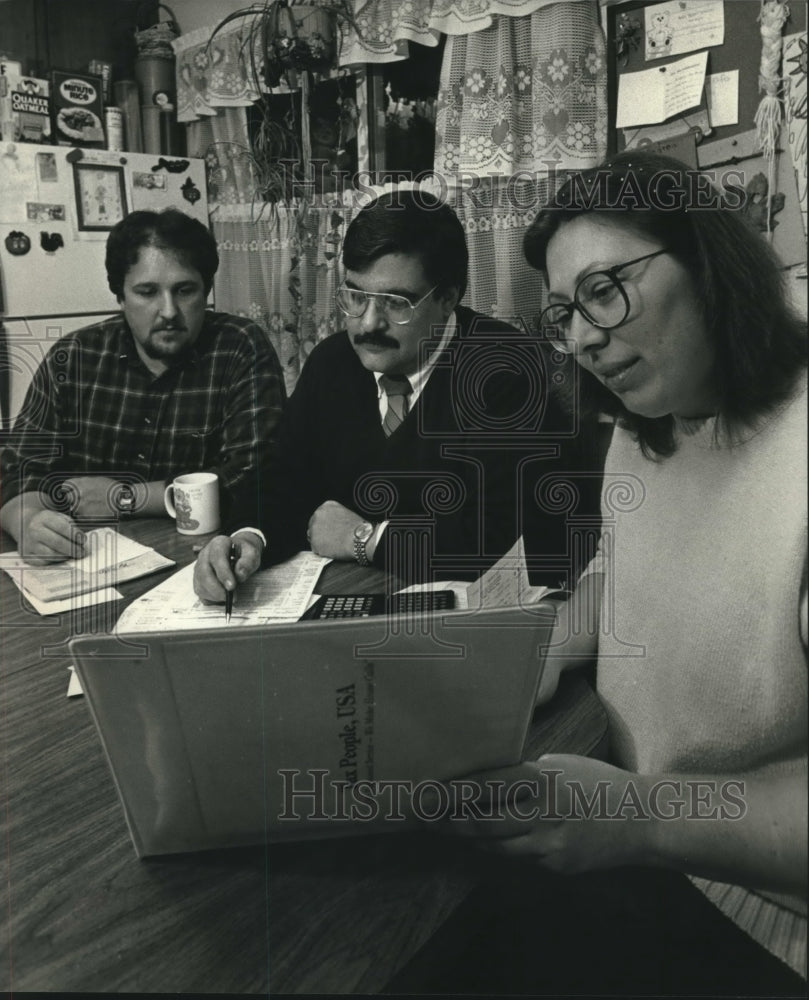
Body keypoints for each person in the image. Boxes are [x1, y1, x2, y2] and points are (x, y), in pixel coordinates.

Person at [389, 151, 807, 995]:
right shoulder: (647, 420)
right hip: (641, 844)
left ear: (705, 263)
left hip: (760, 914)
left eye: (604, 291)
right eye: (561, 314)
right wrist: (536, 649)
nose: (580, 336)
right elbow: (627, 568)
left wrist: (637, 816)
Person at [194, 189, 597, 600]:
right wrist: (248, 538)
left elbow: (504, 540)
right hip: (354, 598)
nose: (368, 323)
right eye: (355, 296)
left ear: (447, 299)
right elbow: (281, 478)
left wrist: (364, 538)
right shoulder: (332, 362)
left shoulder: (509, 371)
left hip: (473, 622)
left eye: (395, 303)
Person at [0, 208, 285, 564]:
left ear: (206, 290)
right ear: (119, 296)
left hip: (200, 564)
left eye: (184, 290)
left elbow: (255, 478)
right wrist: (26, 522)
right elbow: (16, 470)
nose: (168, 311)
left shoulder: (240, 346)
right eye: (147, 292)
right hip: (84, 566)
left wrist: (125, 497)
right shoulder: (73, 357)